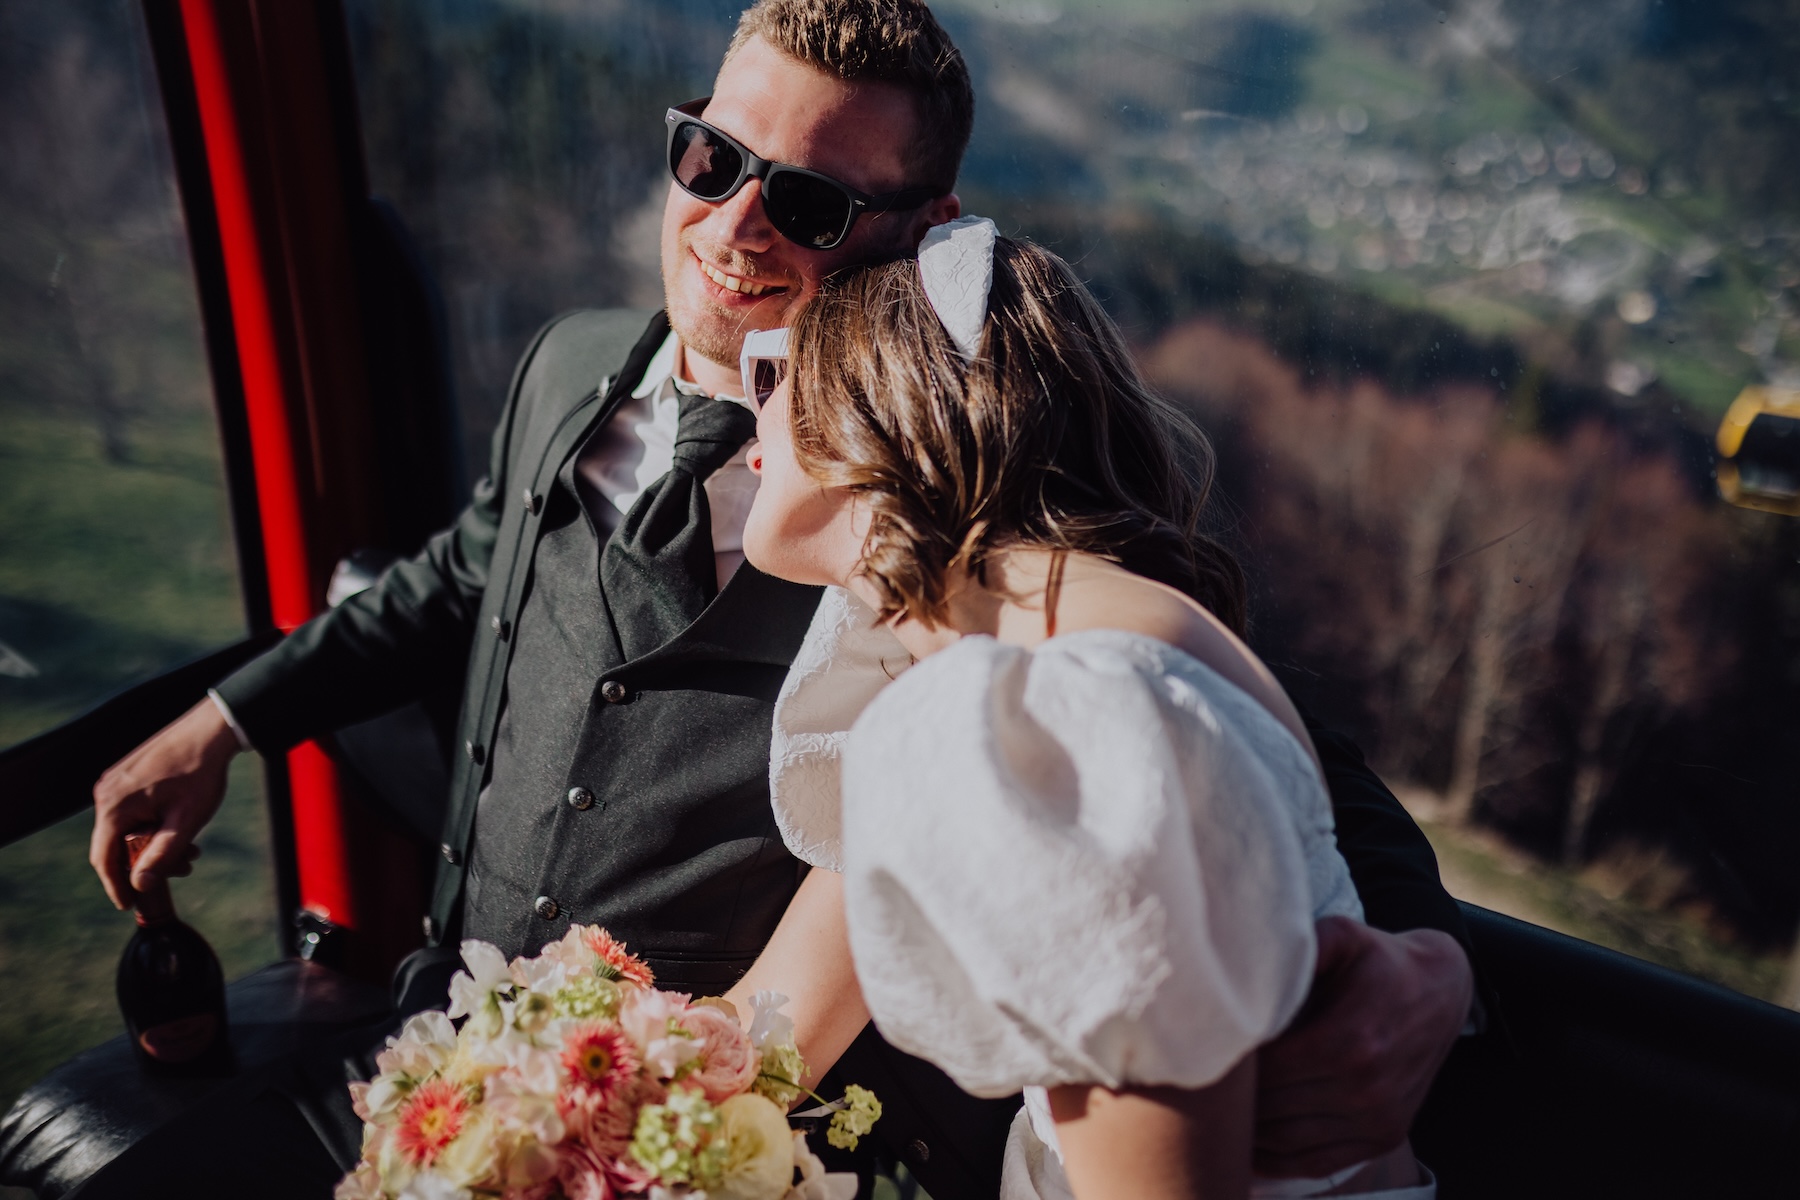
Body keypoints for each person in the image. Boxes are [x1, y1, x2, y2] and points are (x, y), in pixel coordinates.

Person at [82, 1, 1472, 1195]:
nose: (735, 225)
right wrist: (224, 719)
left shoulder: (971, 542)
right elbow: (458, 575)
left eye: (807, 203)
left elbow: (1226, 739)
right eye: (712, 159)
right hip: (453, 1034)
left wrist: (1424, 965)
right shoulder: (566, 367)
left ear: (924, 231)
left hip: (749, 1137)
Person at [729, 218, 1439, 1198]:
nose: (748, 416)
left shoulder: (1070, 717)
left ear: (872, 403)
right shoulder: (1106, 648)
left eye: (773, 375)